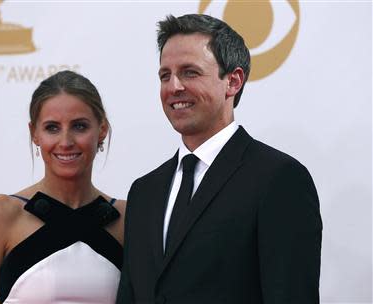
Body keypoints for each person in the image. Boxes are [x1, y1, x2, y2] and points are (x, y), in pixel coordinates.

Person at [117, 14, 322, 304]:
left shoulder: (279, 179)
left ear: (233, 81)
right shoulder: (144, 192)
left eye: (190, 72)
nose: (173, 86)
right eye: (165, 75)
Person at [0, 70, 125, 304]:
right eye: (52, 128)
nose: (66, 142)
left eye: (79, 126)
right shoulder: (0, 214)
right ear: (34, 133)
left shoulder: (127, 218)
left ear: (102, 130)